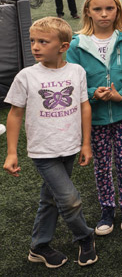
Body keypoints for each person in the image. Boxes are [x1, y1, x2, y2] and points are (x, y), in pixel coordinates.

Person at [3, 17, 97, 268]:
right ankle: (85, 236)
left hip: (69, 147)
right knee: (69, 199)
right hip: (43, 151)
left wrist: (86, 143)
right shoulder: (26, 76)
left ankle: (39, 246)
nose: (35, 46)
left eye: (43, 41)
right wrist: (11, 152)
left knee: (51, 198)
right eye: (33, 40)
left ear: (63, 46)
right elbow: (14, 114)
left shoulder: (76, 72)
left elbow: (84, 106)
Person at [66, 0, 122, 236]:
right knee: (101, 164)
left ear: (117, 11)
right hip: (95, 116)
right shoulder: (77, 45)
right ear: (87, 11)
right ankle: (107, 209)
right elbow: (71, 80)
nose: (104, 14)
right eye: (98, 9)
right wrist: (93, 93)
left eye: (109, 8)